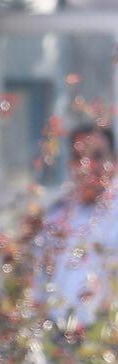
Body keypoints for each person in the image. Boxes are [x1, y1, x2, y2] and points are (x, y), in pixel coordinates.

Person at [32, 123, 118, 327]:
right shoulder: (56, 218)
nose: (87, 165)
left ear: (113, 162)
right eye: (79, 157)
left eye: (97, 156)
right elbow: (39, 283)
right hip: (61, 339)